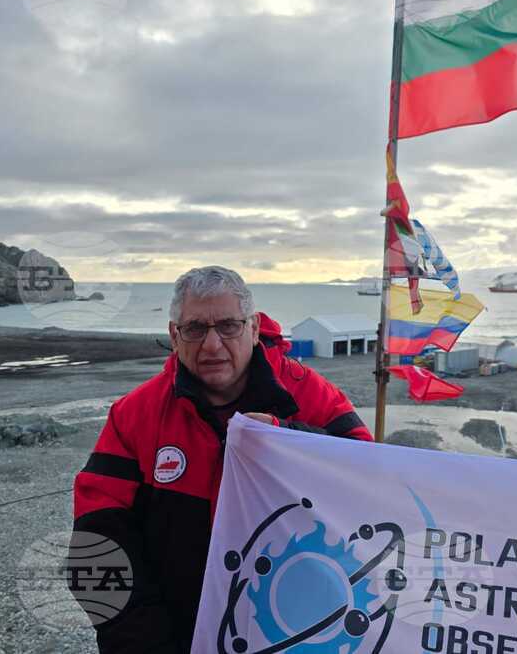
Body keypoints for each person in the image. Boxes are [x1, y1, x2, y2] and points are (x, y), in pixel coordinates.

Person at [70, 266, 373, 653]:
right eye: (195, 329)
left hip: (291, 632)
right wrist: (144, 642)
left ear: (253, 327)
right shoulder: (134, 416)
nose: (212, 345)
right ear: (174, 335)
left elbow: (369, 477)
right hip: (170, 636)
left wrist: (288, 438)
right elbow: (94, 546)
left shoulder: (309, 396)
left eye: (228, 326)